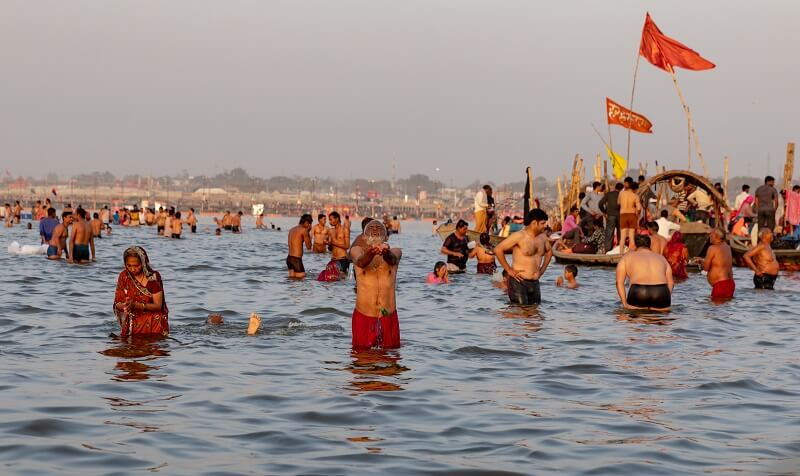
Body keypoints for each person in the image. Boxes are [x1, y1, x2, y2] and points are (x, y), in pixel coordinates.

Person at [349, 220, 402, 349]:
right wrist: (372, 251)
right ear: (363, 236)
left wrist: (385, 252)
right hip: (364, 315)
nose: (375, 229)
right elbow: (361, 262)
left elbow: (392, 259)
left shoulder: (395, 251)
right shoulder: (356, 250)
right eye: (371, 228)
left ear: (386, 236)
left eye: (379, 228)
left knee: (391, 360)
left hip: (388, 315)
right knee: (362, 360)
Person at [494, 209, 553, 305]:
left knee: (535, 315)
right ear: (534, 223)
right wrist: (509, 270)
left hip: (535, 283)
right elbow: (498, 249)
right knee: (520, 313)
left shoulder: (543, 238)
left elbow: (549, 252)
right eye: (543, 223)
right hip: (518, 282)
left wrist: (542, 270)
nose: (545, 226)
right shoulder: (519, 236)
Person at [113, 247, 169, 337]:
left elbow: (158, 305)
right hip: (133, 323)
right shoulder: (124, 276)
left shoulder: (153, 277)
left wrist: (136, 305)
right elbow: (117, 303)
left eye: (136, 265)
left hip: (153, 323)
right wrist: (126, 305)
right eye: (129, 265)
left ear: (143, 263)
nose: (133, 269)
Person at [615, 234, 674, 311]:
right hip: (660, 291)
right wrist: (665, 295)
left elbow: (619, 283)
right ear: (650, 245)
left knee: (630, 318)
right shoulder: (662, 258)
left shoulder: (626, 258)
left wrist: (624, 303)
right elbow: (671, 283)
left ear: (635, 245)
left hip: (639, 292)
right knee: (659, 320)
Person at [702, 229, 735, 300]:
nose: (710, 236)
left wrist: (701, 262)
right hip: (730, 283)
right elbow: (719, 262)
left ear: (716, 236)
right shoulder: (727, 247)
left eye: (711, 234)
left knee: (714, 309)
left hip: (720, 285)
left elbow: (706, 268)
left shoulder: (712, 248)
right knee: (724, 309)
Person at [286, 214, 313, 279]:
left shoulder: (291, 229)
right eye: (310, 224)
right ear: (306, 222)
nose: (310, 226)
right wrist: (308, 232)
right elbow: (309, 247)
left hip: (289, 259)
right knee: (302, 283)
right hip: (296, 259)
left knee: (292, 282)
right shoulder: (304, 230)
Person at [599, 182, 623, 252]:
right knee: (620, 232)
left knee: (609, 233)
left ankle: (608, 249)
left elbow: (600, 204)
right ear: (621, 189)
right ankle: (619, 248)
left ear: (615, 187)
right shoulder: (621, 195)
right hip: (619, 215)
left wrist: (604, 212)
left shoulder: (608, 194)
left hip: (610, 216)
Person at [619, 181, 642, 250]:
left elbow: (618, 202)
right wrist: (637, 215)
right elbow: (639, 208)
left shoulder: (621, 193)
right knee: (631, 236)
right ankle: (631, 253)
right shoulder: (635, 196)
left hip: (623, 214)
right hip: (632, 215)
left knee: (622, 237)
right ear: (635, 189)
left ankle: (621, 253)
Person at [327, 211, 351, 277]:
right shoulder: (330, 231)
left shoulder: (345, 230)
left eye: (331, 219)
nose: (330, 222)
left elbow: (347, 246)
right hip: (334, 259)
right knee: (331, 279)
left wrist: (333, 243)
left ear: (337, 219)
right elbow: (330, 249)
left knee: (341, 281)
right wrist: (329, 244)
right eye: (329, 220)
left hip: (343, 259)